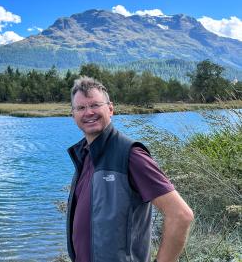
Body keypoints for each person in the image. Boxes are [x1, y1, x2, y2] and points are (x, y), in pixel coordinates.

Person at [66, 77, 194, 262]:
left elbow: (181, 215)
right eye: (81, 108)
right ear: (73, 115)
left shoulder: (131, 155)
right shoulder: (84, 155)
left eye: (95, 105)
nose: (89, 112)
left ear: (110, 109)